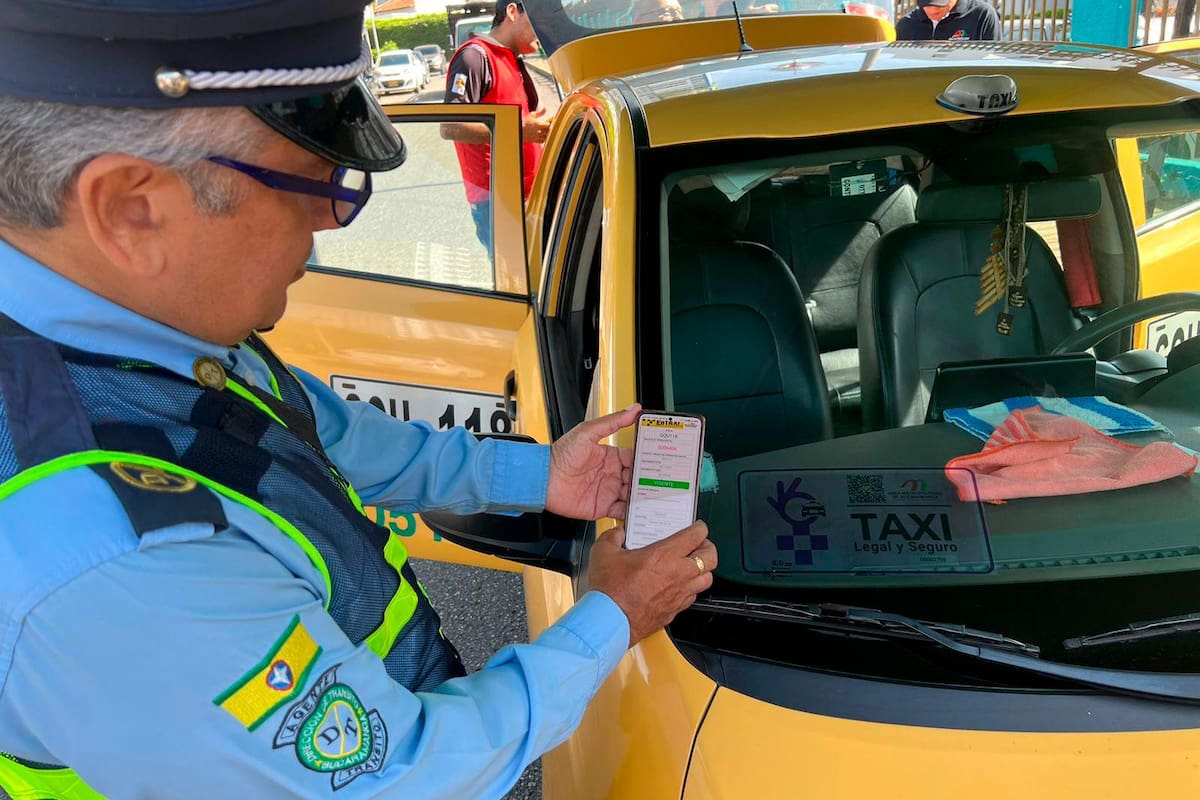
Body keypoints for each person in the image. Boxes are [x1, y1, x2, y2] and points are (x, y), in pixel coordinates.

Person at [0, 2, 718, 798]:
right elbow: (396, 777)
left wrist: (539, 477)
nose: (329, 221)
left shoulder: (138, 324)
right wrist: (609, 617)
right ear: (131, 207)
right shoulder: (104, 559)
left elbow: (316, 433)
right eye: (310, 183)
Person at [441, 0, 549, 253]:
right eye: (538, 20)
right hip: (497, 202)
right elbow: (450, 124)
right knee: (518, 283)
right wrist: (519, 131)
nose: (544, 30)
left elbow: (521, 123)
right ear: (512, 12)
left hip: (527, 194)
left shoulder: (512, 59)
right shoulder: (474, 57)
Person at [894, 0, 1001, 41]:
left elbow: (993, 64)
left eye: (939, 4)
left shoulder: (982, 15)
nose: (932, 9)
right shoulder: (906, 24)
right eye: (925, 3)